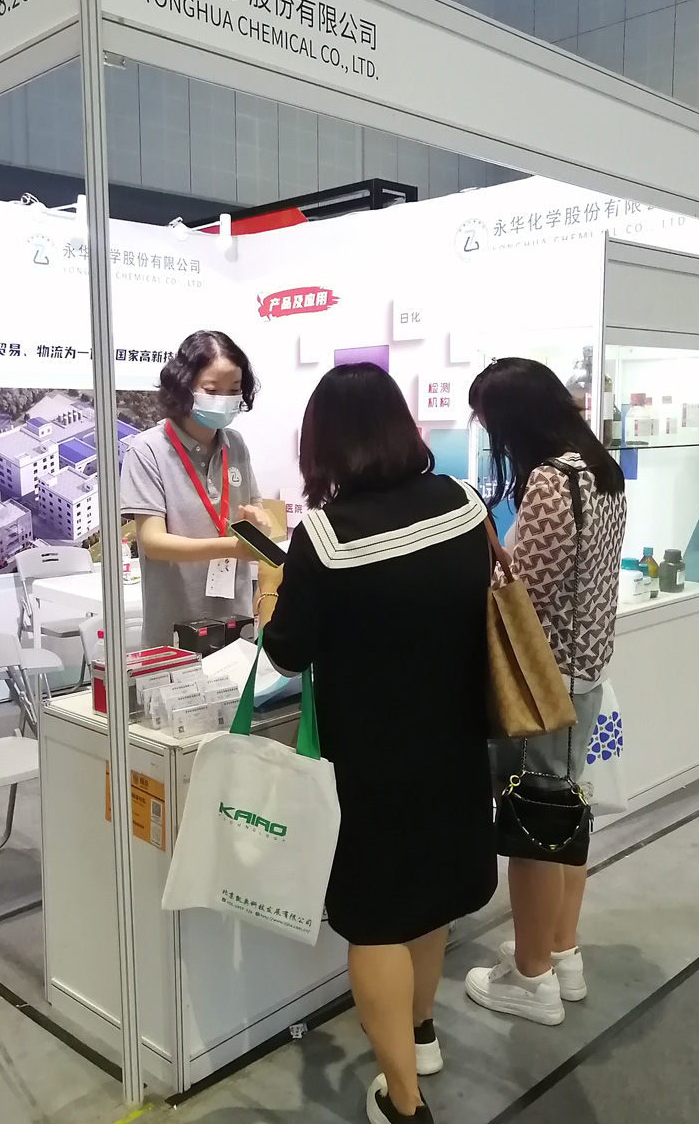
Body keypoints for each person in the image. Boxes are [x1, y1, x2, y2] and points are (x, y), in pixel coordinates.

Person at [258, 364, 497, 1124]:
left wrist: (271, 585)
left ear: (323, 444)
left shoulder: (325, 537)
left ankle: (403, 1099)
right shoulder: (463, 503)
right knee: (431, 897)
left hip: (371, 762)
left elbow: (287, 652)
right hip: (458, 741)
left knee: (376, 921)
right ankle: (419, 1034)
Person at [463, 357, 627, 1026]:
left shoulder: (552, 482)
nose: (491, 438)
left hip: (543, 681)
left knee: (533, 826)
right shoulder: (600, 470)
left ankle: (531, 980)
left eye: (490, 424)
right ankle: (561, 951)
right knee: (564, 816)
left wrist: (487, 552)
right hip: (584, 674)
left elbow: (522, 593)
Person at [119, 331, 269, 648]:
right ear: (183, 386)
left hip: (236, 623)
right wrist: (230, 547)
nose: (224, 399)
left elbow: (256, 506)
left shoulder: (235, 444)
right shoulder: (148, 450)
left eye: (234, 391)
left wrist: (259, 524)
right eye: (212, 390)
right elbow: (153, 542)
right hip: (174, 630)